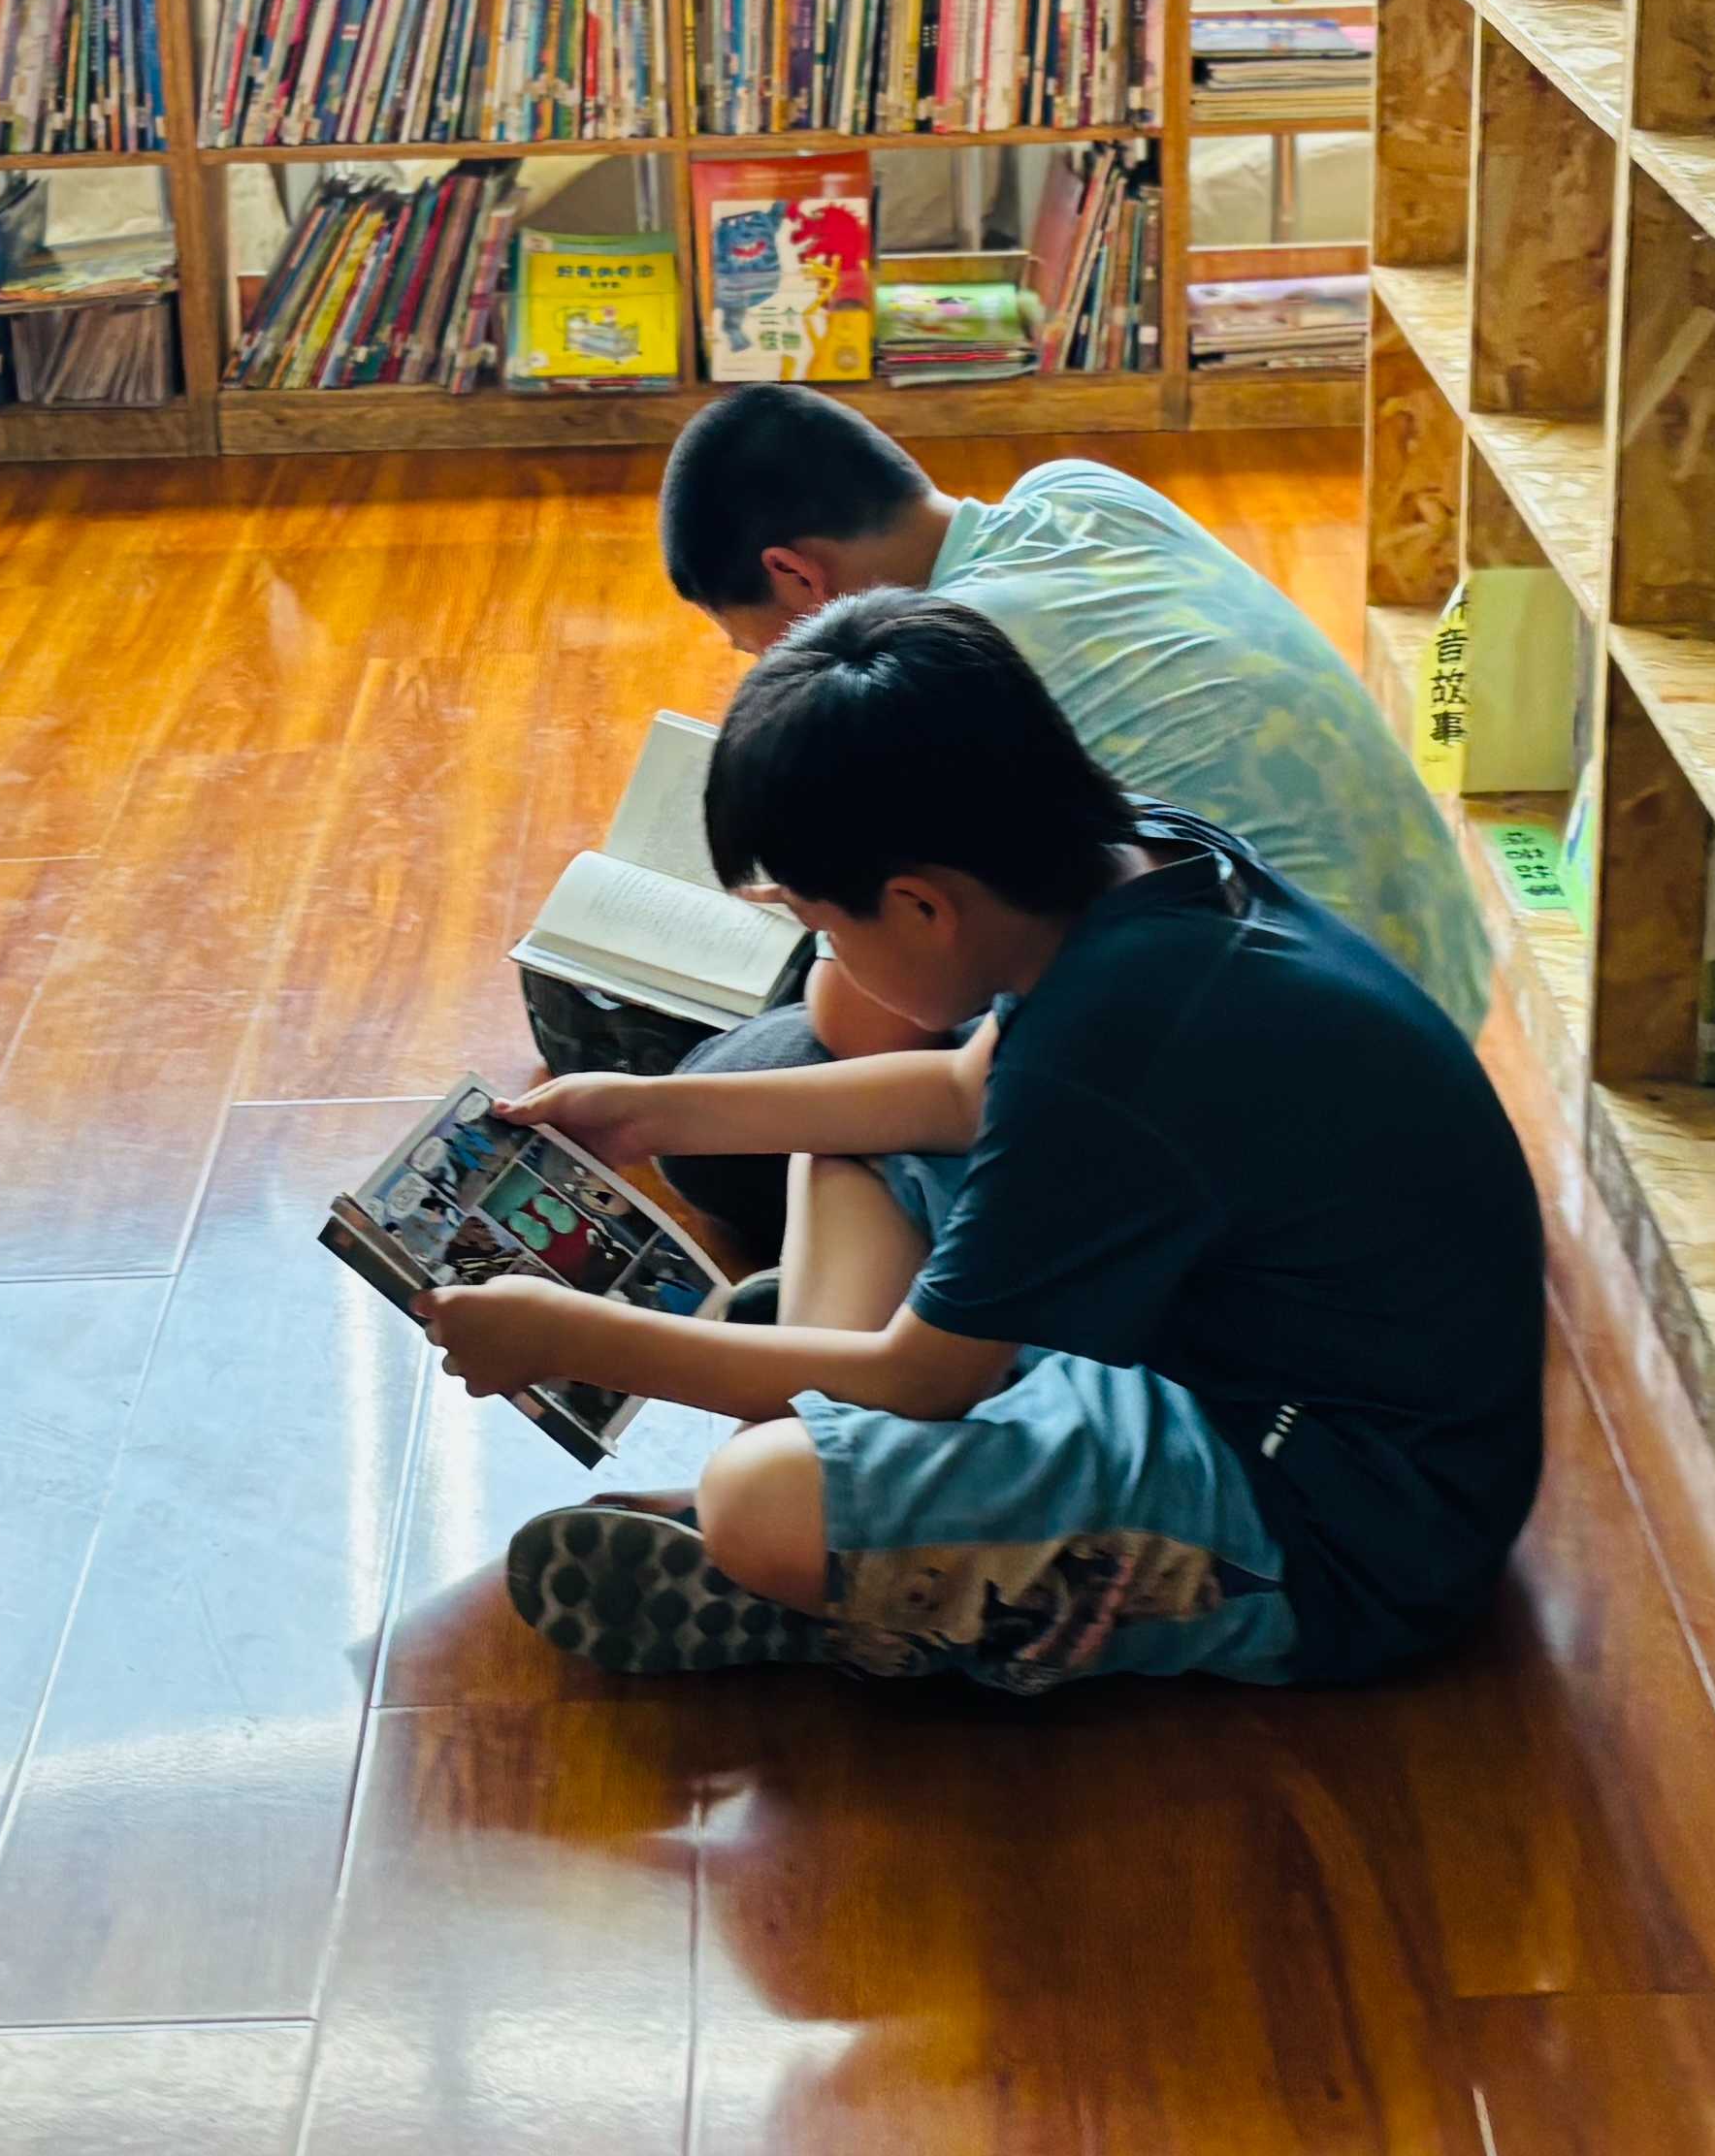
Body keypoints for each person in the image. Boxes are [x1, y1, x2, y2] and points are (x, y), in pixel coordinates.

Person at [450, 590, 1545, 1691]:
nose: (828, 958)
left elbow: (922, 1377)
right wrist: (649, 1112)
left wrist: (574, 1339)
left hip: (1340, 1523)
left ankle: (834, 1569)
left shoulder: (1113, 1047)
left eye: (824, 929)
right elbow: (965, 1093)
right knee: (847, 1135)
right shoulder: (1134, 855)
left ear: (922, 908)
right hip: (1240, 1349)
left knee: (756, 1499)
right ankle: (846, 1455)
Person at [600, 390, 1494, 1256]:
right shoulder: (1079, 490)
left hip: (1285, 1098)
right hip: (1429, 1006)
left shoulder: (931, 667)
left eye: (758, 645)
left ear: (799, 577)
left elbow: (868, 1034)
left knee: (729, 1108)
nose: (768, 671)